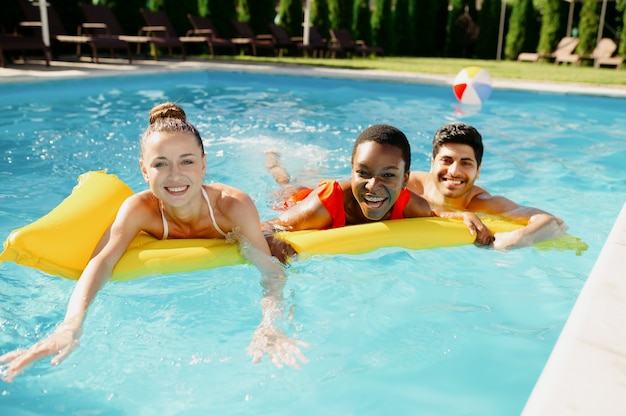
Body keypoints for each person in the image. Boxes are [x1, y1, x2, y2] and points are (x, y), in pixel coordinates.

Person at [0, 102, 307, 382]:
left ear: (203, 165)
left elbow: (270, 270)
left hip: (266, 225)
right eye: (160, 164)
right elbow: (101, 260)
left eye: (186, 162)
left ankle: (274, 163)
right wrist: (70, 326)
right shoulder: (140, 210)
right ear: (144, 170)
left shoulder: (232, 205)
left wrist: (271, 324)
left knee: (287, 197)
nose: (175, 176)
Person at [262, 124, 492, 260]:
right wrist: (273, 240)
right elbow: (264, 226)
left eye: (388, 175)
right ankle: (273, 161)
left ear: (405, 179)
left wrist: (463, 215)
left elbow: (436, 214)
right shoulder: (323, 206)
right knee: (286, 182)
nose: (373, 185)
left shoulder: (409, 204)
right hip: (299, 198)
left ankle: (313, 163)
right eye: (363, 173)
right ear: (351, 171)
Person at [407, 122, 568, 250]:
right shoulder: (412, 185)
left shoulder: (482, 203)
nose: (454, 171)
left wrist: (514, 240)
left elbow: (555, 223)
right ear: (432, 163)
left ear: (478, 171)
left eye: (466, 163)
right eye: (446, 160)